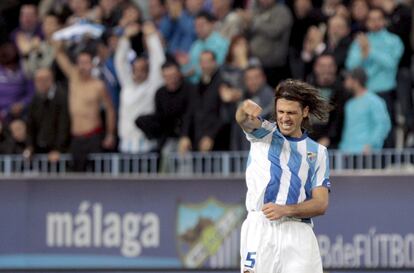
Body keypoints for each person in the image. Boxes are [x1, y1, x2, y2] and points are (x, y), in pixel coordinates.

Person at [235, 79, 331, 273]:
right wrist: (244, 108)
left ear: (304, 112)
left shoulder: (318, 152)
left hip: (298, 233)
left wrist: (285, 210)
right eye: (281, 112)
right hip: (260, 227)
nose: (285, 118)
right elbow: (243, 120)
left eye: (291, 113)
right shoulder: (264, 134)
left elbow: (320, 204)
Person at [53, 40, 116, 172]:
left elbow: (110, 109)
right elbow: (59, 56)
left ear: (92, 65)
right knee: (76, 177)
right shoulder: (74, 79)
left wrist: (110, 134)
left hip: (93, 135)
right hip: (76, 137)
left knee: (97, 174)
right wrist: (60, 41)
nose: (83, 66)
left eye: (86, 63)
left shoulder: (98, 85)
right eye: (80, 63)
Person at [345, 8, 403, 147]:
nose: (375, 22)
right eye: (371, 19)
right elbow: (350, 65)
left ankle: (390, 163)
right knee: (364, 127)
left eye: (378, 18)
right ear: (367, 22)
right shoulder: (360, 41)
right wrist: (363, 54)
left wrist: (370, 51)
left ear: (384, 21)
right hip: (365, 92)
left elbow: (391, 63)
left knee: (386, 126)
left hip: (385, 91)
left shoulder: (394, 41)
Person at [115, 21, 165, 153]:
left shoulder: (152, 85)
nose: (139, 72)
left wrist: (152, 36)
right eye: (136, 69)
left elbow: (159, 61)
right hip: (125, 146)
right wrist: (125, 39)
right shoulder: (127, 85)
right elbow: (120, 62)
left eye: (143, 69)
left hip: (146, 146)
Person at [179, 50, 224, 153]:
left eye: (208, 61)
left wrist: (210, 136)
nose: (205, 65)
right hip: (197, 142)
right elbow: (189, 113)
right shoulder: (195, 87)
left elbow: (223, 115)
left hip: (218, 143)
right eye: (202, 62)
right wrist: (184, 135)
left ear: (214, 63)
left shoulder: (222, 84)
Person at [339, 68, 391, 154]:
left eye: (347, 79)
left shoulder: (374, 100)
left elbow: (383, 124)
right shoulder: (349, 104)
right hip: (347, 152)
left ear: (356, 81)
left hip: (366, 153)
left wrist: (371, 144)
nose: (345, 82)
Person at [24, 68, 70, 162]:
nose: (41, 83)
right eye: (38, 80)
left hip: (58, 152)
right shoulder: (35, 99)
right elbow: (30, 124)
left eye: (44, 79)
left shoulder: (62, 97)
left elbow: (64, 125)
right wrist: (30, 146)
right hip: (40, 149)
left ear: (51, 79)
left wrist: (58, 149)